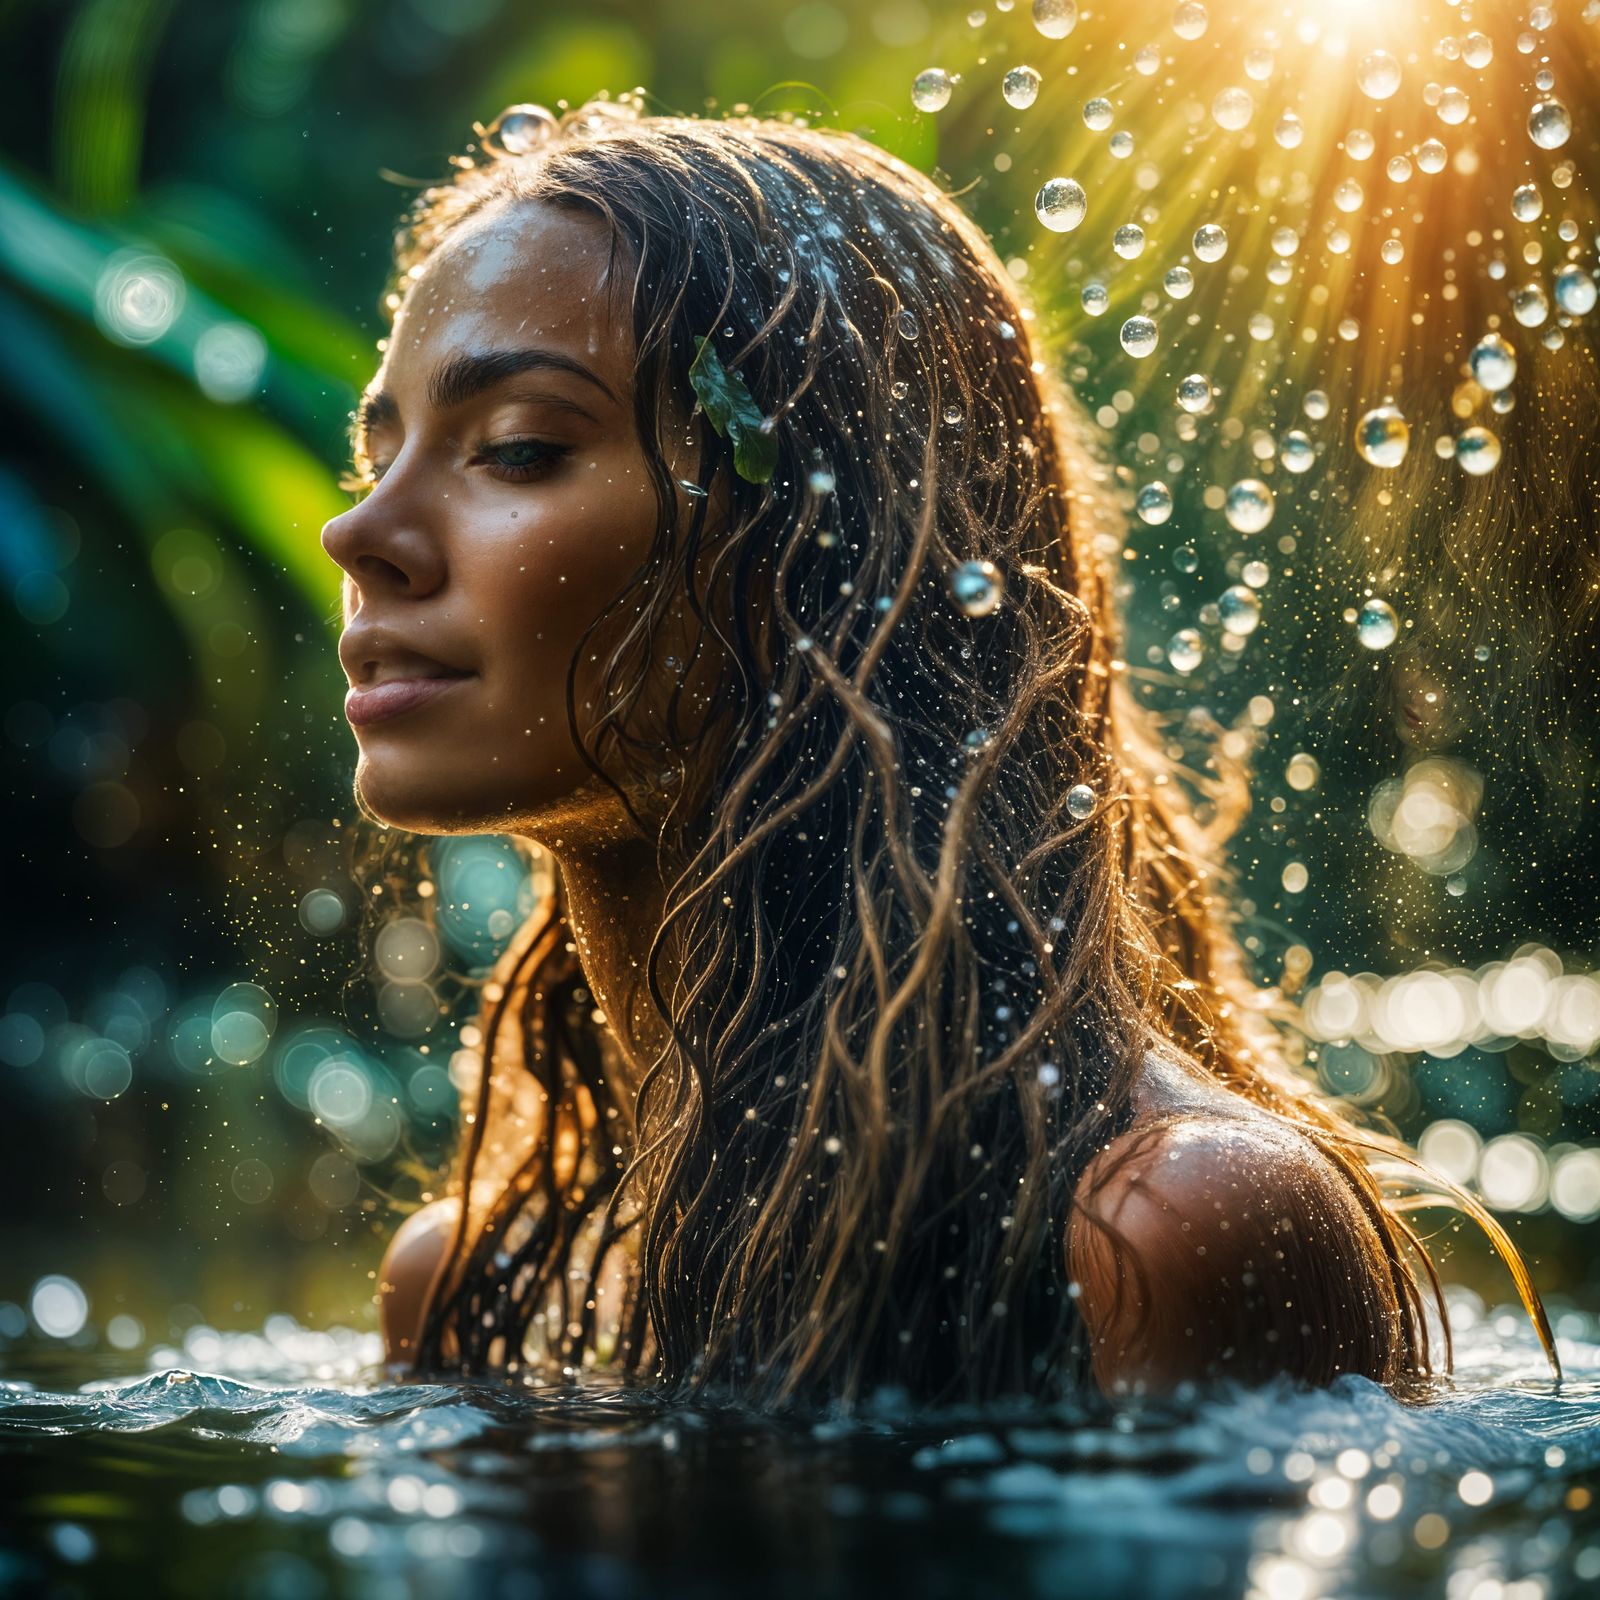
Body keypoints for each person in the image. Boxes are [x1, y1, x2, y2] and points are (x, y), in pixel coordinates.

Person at [320, 98, 1556, 1409]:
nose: (361, 532)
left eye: (517, 448)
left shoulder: (1164, 1228)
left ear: (820, 550)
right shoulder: (481, 1287)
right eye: (378, 450)